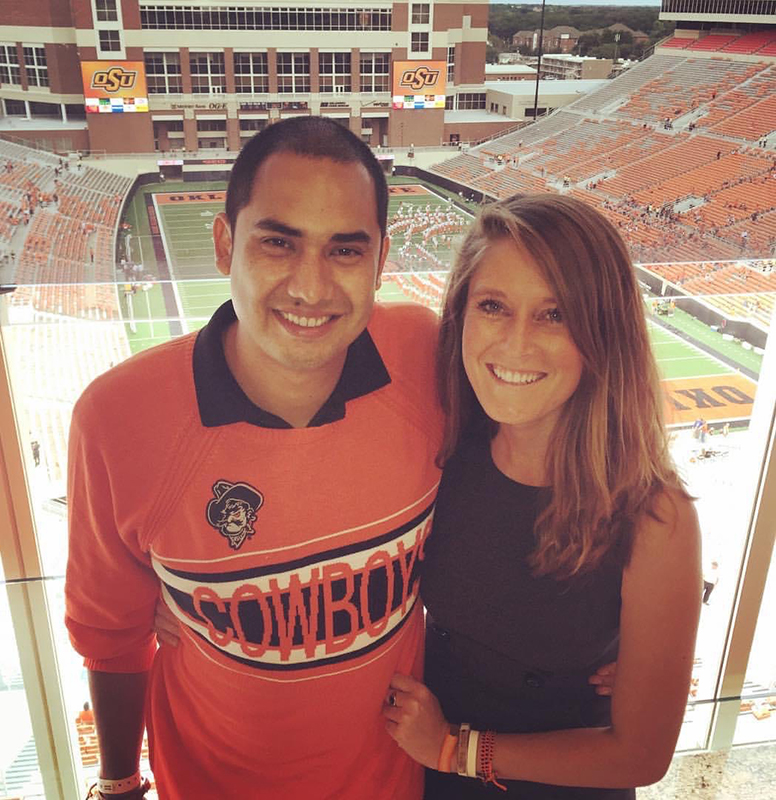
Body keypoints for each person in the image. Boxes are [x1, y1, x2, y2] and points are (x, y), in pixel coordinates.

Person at [65, 117, 443, 800]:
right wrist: (119, 783)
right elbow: (110, 635)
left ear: (381, 260)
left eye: (345, 251)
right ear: (223, 242)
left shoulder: (427, 357)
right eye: (278, 242)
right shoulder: (118, 418)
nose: (310, 287)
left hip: (394, 783)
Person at [382, 195, 701, 798]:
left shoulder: (655, 516)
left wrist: (455, 748)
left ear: (602, 334)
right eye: (494, 306)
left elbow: (639, 755)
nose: (517, 343)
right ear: (461, 315)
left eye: (554, 315)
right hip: (423, 775)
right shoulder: (441, 452)